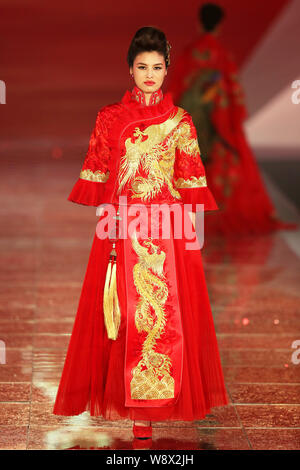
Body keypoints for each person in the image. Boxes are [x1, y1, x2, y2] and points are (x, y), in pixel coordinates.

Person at [53, 26, 228, 447]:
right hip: (121, 230)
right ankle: (137, 415)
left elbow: (189, 182)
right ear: (130, 70)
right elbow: (100, 180)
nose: (150, 75)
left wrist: (188, 237)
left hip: (168, 232)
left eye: (157, 67)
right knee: (126, 318)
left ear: (167, 71)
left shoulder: (180, 122)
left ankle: (158, 406)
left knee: (168, 319)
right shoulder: (109, 119)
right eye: (142, 67)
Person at [168, 3, 297, 235]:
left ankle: (189, 212)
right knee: (221, 165)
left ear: (199, 23)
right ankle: (214, 208)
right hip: (218, 119)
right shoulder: (222, 55)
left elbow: (177, 87)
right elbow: (232, 91)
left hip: (191, 118)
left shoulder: (190, 53)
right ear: (220, 25)